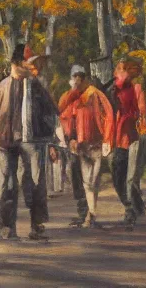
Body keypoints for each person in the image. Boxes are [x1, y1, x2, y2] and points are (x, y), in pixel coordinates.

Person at [0, 44, 60, 242]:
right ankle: (9, 227)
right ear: (17, 63)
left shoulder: (36, 86)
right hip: (5, 141)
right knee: (8, 184)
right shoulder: (3, 86)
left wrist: (51, 139)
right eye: (29, 62)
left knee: (35, 182)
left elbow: (52, 111)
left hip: (31, 140)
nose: (34, 67)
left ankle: (37, 226)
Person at [59, 63, 114, 228]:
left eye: (79, 77)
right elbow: (66, 116)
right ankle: (89, 215)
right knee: (85, 182)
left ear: (83, 78)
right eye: (74, 77)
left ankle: (92, 215)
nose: (76, 80)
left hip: (96, 144)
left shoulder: (95, 95)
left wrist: (107, 139)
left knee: (92, 181)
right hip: (81, 145)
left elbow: (109, 115)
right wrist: (71, 139)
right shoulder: (73, 97)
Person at [109, 57, 146, 228]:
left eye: (121, 69)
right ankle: (135, 204)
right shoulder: (113, 90)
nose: (117, 72)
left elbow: (144, 112)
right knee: (117, 175)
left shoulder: (137, 89)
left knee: (131, 177)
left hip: (136, 134)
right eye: (117, 69)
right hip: (119, 137)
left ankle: (130, 210)